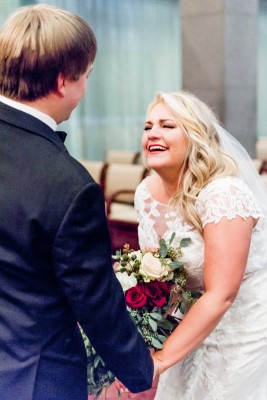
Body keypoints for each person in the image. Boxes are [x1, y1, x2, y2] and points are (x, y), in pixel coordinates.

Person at [0, 5, 154, 400]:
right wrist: (141, 373)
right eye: (87, 76)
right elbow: (95, 300)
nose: (86, 88)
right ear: (62, 81)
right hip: (33, 376)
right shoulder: (68, 185)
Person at [135, 91, 267, 399]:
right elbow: (160, 275)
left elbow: (222, 293)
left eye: (168, 125)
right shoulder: (146, 192)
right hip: (189, 323)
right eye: (148, 126)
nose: (153, 133)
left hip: (244, 330)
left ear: (195, 136)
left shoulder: (224, 193)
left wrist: (161, 360)